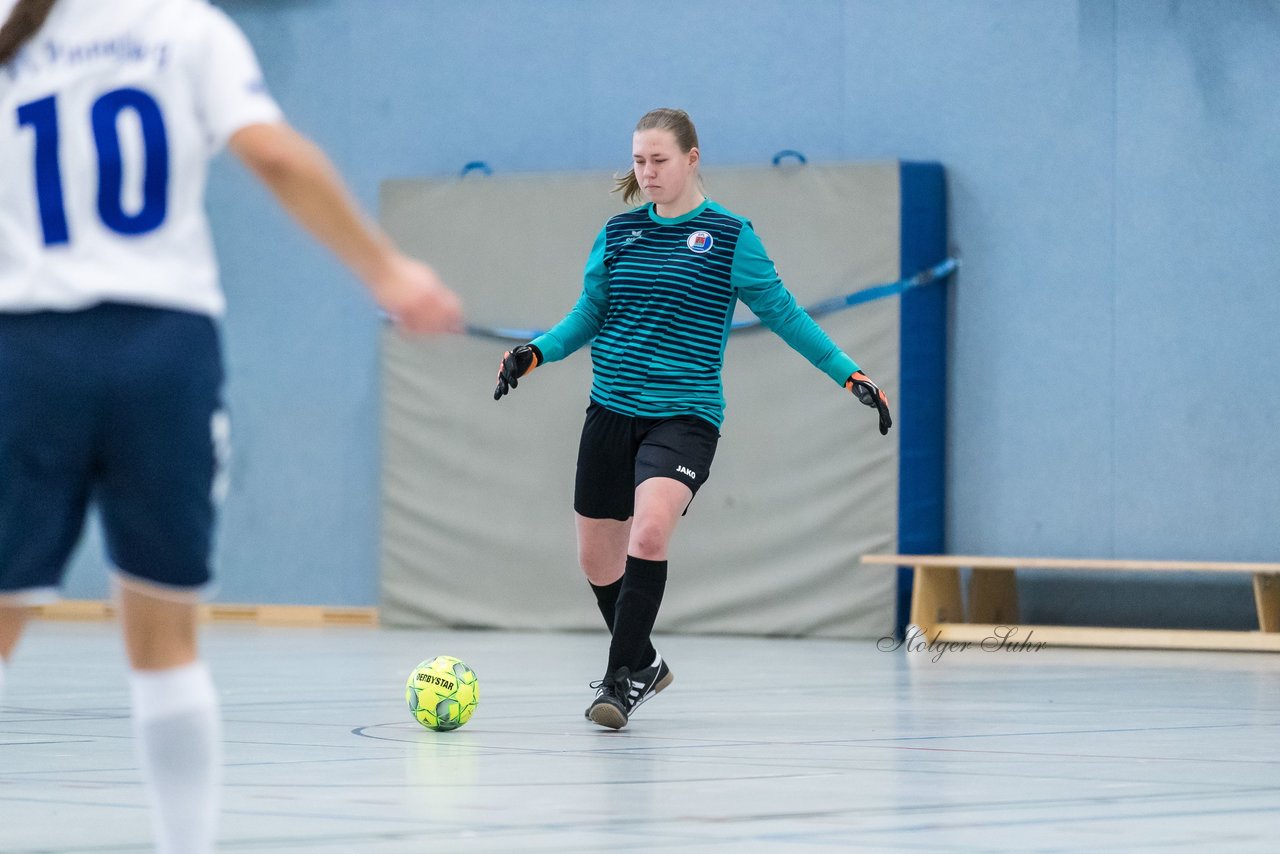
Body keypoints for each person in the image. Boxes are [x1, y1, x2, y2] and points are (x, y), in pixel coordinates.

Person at [0, 1, 462, 851]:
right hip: (160, 351)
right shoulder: (187, 29)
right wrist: (387, 270)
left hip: (27, 353)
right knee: (165, 637)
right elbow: (279, 158)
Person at [494, 107, 891, 730]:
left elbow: (787, 315)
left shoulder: (730, 236)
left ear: (692, 157)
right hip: (609, 413)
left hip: (684, 417)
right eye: (638, 161)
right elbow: (587, 315)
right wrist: (535, 352)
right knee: (599, 565)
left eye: (659, 160)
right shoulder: (619, 233)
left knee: (648, 534)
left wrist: (850, 373)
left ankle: (620, 680)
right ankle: (645, 662)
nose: (647, 173)